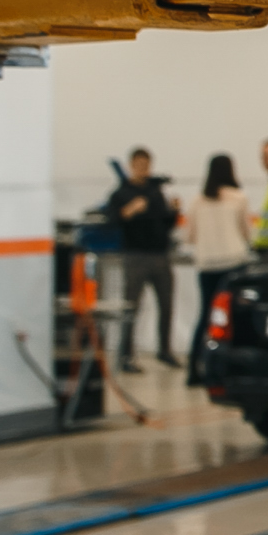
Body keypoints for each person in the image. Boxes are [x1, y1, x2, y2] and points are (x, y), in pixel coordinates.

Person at [101, 149, 179, 372]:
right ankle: (126, 355)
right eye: (139, 164)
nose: (143, 169)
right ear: (131, 165)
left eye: (147, 164)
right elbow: (112, 221)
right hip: (135, 256)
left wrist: (173, 211)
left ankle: (165, 350)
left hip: (160, 255)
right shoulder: (121, 194)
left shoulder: (156, 192)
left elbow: (166, 224)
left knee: (166, 304)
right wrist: (130, 210)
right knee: (131, 307)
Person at [186, 154, 252, 384]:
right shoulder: (238, 198)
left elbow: (190, 236)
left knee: (205, 315)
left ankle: (193, 368)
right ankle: (232, 367)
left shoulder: (197, 201)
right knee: (233, 316)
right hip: (234, 261)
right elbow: (246, 232)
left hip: (207, 264)